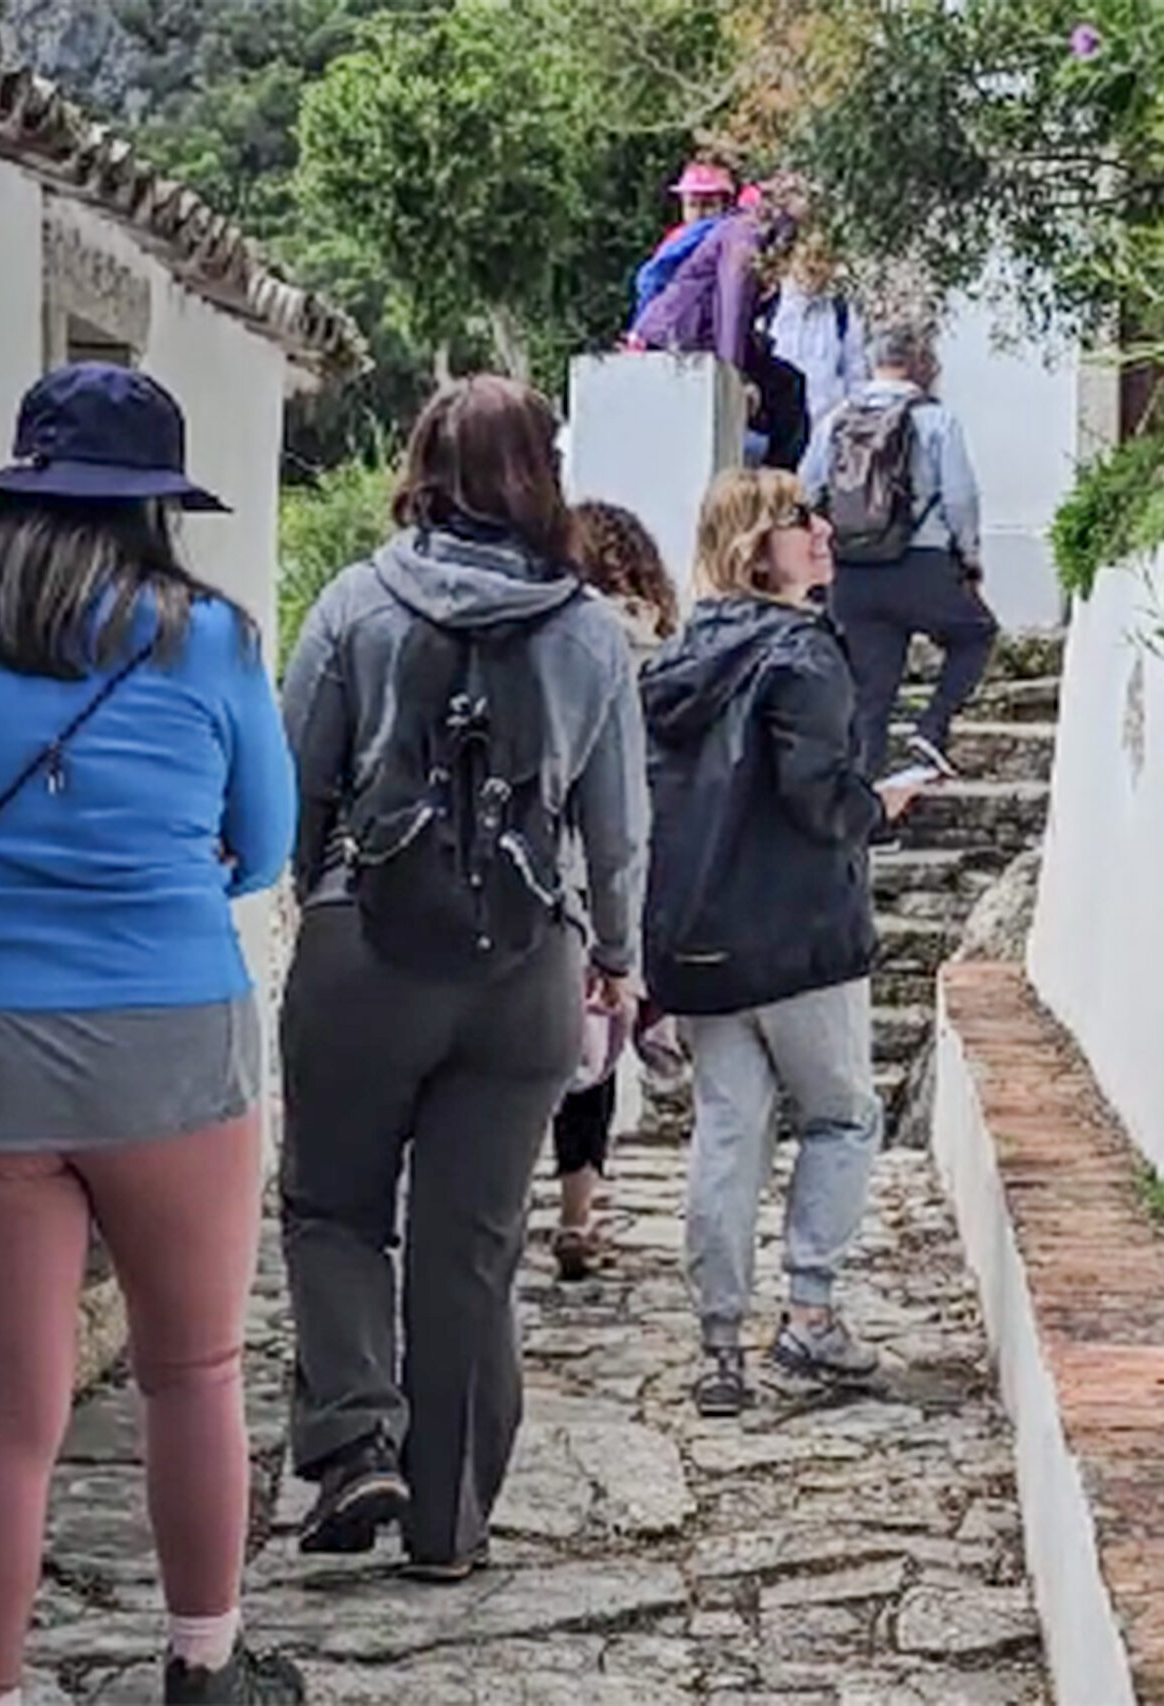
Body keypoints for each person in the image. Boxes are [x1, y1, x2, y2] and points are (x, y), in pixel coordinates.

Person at [0, 364, 304, 1706]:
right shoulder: (209, 639)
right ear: (153, 508)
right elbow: (267, 848)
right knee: (192, 1369)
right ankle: (204, 1664)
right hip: (172, 1029)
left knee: (3, 1415)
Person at [278, 377, 647, 1578]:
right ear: (543, 471)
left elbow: (299, 778)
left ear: (419, 462)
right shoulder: (592, 630)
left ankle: (354, 1437)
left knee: (333, 1206)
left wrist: (313, 888)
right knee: (471, 1245)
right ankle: (447, 1528)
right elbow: (620, 825)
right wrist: (617, 956)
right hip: (524, 958)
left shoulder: (354, 603)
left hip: (366, 940)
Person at [640, 468, 922, 1418]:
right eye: (802, 519)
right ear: (759, 542)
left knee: (730, 1129)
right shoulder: (804, 656)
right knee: (843, 1116)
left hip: (699, 938)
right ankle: (808, 1313)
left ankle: (719, 1343)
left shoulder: (674, 662)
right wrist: (875, 805)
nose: (824, 531)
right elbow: (816, 797)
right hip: (800, 935)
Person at [548, 500, 681, 1282]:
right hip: (623, 867)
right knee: (595, 1060)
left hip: (542, 867)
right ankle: (577, 1212)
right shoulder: (656, 649)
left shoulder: (549, 637)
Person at [801, 322, 998, 777]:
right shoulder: (937, 420)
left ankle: (868, 820)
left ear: (873, 363)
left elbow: (807, 488)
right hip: (921, 564)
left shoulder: (835, 419)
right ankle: (932, 728)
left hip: (852, 570)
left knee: (870, 695)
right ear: (921, 365)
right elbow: (960, 497)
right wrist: (968, 555)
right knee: (976, 634)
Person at [630, 179, 811, 471]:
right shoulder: (745, 233)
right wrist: (735, 380)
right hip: (680, 337)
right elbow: (732, 304)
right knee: (784, 389)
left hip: (700, 336)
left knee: (786, 388)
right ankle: (774, 485)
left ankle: (774, 482)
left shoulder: (764, 238)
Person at [766, 234, 870, 432]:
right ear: (789, 261)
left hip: (826, 436)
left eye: (821, 258)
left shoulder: (843, 314)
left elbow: (857, 381)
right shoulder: (769, 308)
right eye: (805, 257)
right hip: (776, 438)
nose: (813, 266)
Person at [632, 161, 737, 318]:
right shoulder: (677, 239)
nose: (699, 213)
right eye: (692, 205)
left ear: (724, 205)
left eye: (708, 205)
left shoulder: (729, 236)